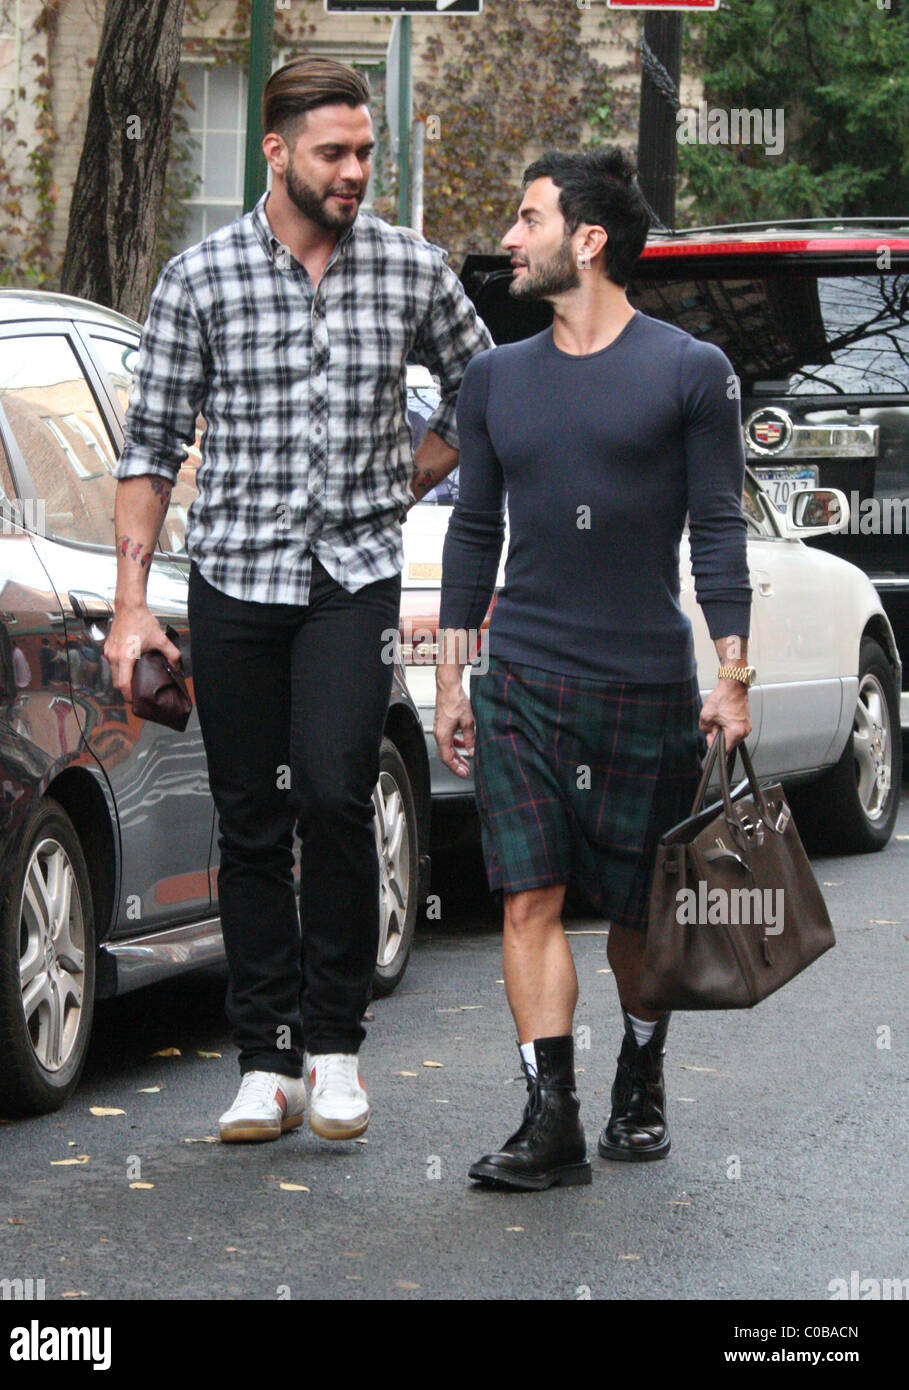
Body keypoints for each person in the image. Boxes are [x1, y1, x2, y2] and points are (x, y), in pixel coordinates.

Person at [106, 56, 492, 1144]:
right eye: (334, 153)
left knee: (332, 794)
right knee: (249, 816)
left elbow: (483, 387)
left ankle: (333, 1048)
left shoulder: (409, 270)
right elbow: (150, 448)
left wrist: (405, 479)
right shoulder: (202, 277)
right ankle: (264, 1059)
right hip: (233, 578)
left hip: (352, 582)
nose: (355, 172)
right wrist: (133, 607)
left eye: (365, 152)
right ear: (275, 152)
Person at [434, 148, 753, 1191]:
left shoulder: (687, 370)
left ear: (589, 238)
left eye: (528, 219)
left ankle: (641, 1070)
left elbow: (714, 533)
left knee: (635, 914)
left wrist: (732, 675)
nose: (510, 240)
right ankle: (549, 1115)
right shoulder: (493, 378)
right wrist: (451, 674)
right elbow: (472, 530)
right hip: (522, 677)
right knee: (527, 897)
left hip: (643, 684)